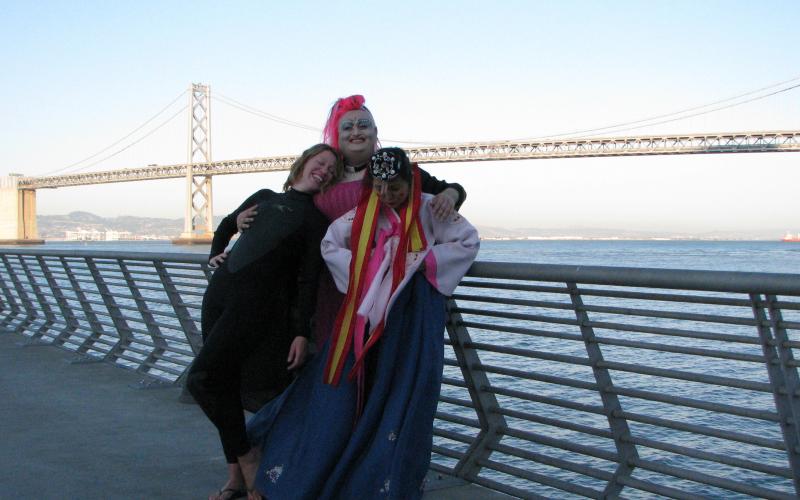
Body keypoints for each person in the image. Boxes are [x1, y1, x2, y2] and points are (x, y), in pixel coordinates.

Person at [246, 147, 479, 499]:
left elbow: (468, 240)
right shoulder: (365, 213)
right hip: (370, 315)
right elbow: (330, 244)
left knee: (409, 393)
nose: (387, 197)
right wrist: (371, 262)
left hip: (415, 316)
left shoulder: (431, 207)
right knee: (350, 389)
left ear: (410, 183)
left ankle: (388, 483)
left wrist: (415, 262)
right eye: (380, 189)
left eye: (396, 190)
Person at [237, 95, 467, 346]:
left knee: (377, 353)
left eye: (363, 125)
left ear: (375, 131)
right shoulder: (327, 173)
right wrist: (244, 218)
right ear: (337, 134)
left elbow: (452, 189)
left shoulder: (393, 169)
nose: (356, 132)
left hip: (381, 281)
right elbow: (292, 207)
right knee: (331, 352)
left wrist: (449, 195)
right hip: (327, 282)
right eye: (348, 127)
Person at [187, 143, 342, 500]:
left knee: (202, 378)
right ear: (304, 162)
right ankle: (235, 477)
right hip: (219, 295)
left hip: (255, 306)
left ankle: (249, 457)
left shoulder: (316, 220)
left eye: (332, 171)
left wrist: (301, 331)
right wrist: (216, 254)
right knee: (221, 383)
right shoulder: (264, 196)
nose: (325, 171)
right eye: (321, 163)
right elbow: (225, 226)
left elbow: (307, 280)